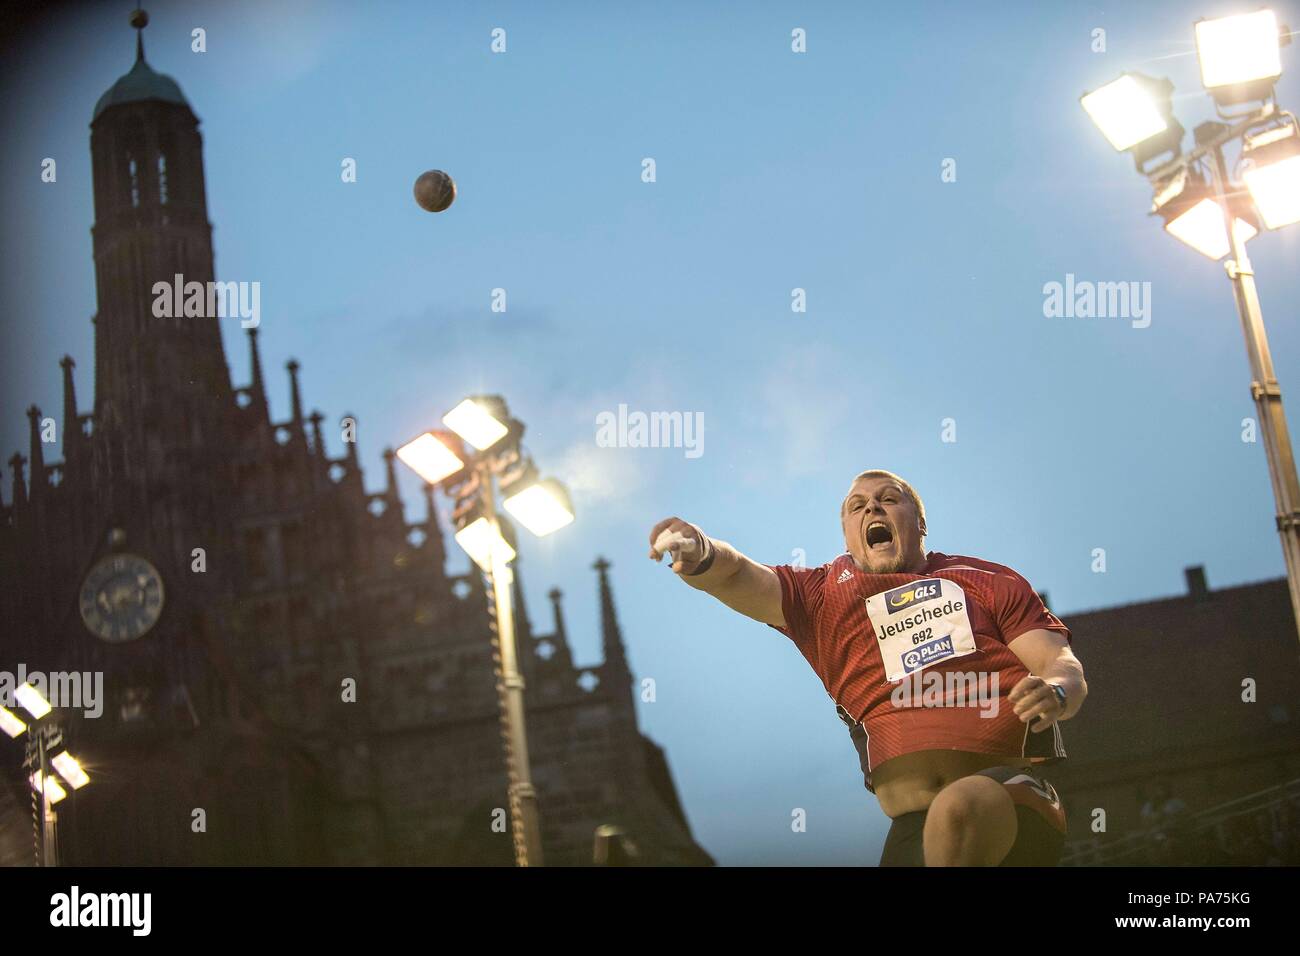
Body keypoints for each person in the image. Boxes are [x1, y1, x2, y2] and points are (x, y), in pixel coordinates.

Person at [648, 469, 1088, 866]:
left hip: (1012, 799)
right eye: (857, 506)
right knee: (944, 821)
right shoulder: (819, 597)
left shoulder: (987, 580)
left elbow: (1059, 663)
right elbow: (738, 573)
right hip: (910, 827)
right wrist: (699, 548)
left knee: (957, 809)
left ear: (920, 524)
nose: (872, 507)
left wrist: (1057, 691)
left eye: (889, 499)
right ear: (847, 536)